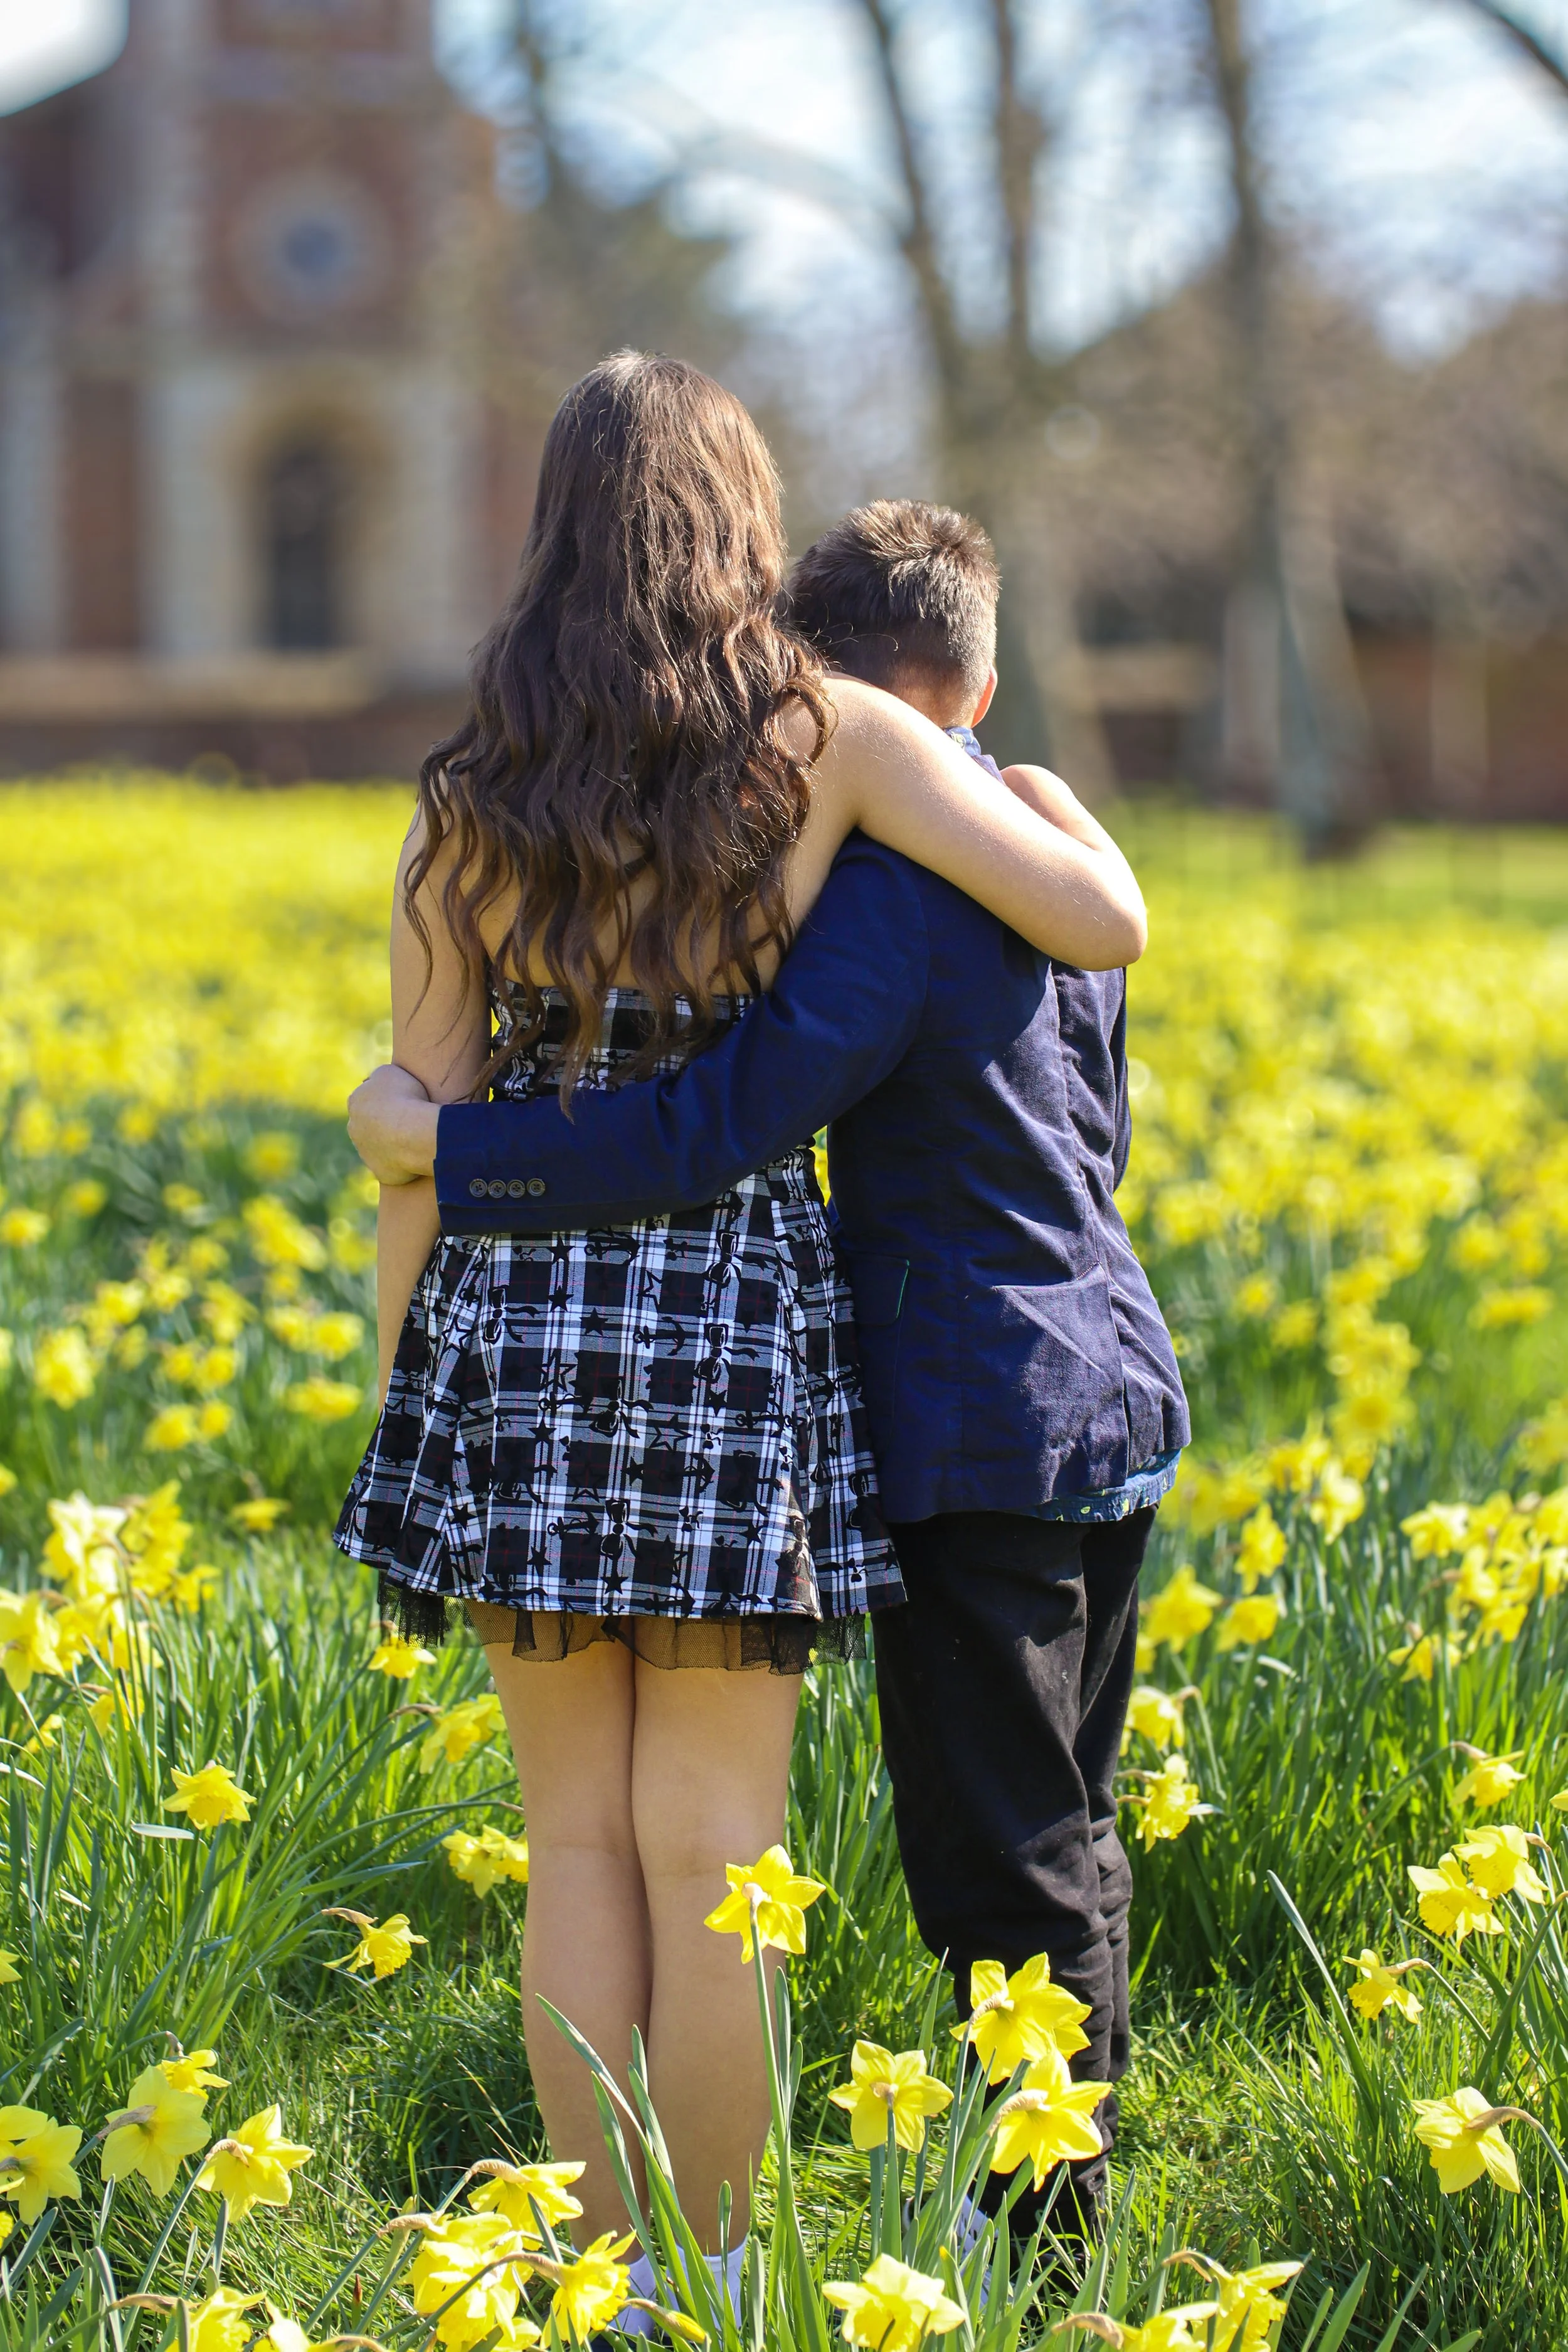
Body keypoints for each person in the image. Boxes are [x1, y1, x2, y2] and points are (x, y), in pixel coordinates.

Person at [339, 385, 1149, 2302]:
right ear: (739, 526)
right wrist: (1038, 794)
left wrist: (404, 1411)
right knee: (716, 1850)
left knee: (571, 1850)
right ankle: (710, 2283)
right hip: (722, 1326)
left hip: (518, 1328)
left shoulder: (465, 806)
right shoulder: (828, 738)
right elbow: (1093, 922)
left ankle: (602, 2282)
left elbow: (413, 1152)